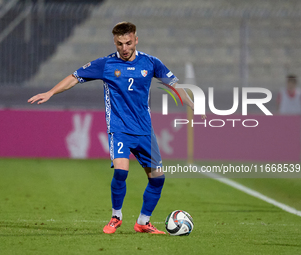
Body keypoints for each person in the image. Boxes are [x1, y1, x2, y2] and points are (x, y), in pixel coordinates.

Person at [28, 21, 198, 234]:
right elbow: (74, 78)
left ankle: (143, 223)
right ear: (114, 42)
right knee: (121, 172)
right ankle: (116, 216)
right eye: (119, 44)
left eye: (128, 43)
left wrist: (191, 103)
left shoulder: (151, 63)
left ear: (136, 39)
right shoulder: (106, 64)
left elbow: (174, 84)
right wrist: (51, 92)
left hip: (145, 131)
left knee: (158, 178)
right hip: (119, 129)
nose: (124, 48)